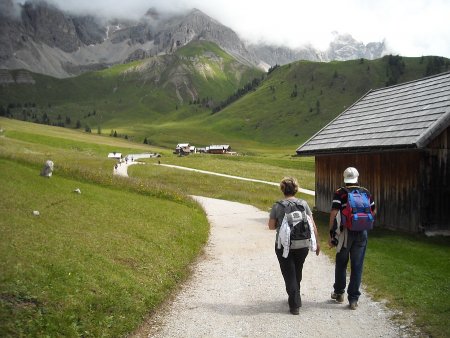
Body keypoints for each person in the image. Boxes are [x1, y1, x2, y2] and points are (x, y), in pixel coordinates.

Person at [268, 177, 320, 315]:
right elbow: (311, 223)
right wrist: (317, 242)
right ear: (296, 189)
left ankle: (294, 305)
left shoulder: (277, 205)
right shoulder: (303, 204)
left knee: (289, 273)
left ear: (282, 189)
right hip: (303, 244)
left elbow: (271, 227)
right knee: (297, 271)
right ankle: (295, 295)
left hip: (284, 245)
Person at [328, 167, 376, 310]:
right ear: (357, 177)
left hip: (345, 233)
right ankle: (353, 300)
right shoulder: (366, 192)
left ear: (344, 178)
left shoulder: (340, 193)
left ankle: (339, 293)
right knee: (357, 265)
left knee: (341, 263)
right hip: (362, 233)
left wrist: (331, 234)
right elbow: (373, 211)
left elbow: (334, 213)